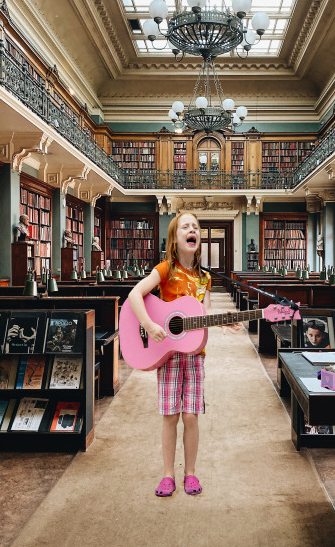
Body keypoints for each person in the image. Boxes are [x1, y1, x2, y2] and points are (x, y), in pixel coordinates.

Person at [128, 212, 242, 498]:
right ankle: (168, 475)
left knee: (191, 417)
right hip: (167, 354)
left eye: (196, 227)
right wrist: (149, 324)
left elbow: (200, 316)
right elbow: (134, 295)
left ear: (198, 238)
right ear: (175, 238)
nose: (192, 230)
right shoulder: (166, 269)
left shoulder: (204, 277)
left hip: (195, 355)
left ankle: (190, 472)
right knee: (170, 416)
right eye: (185, 226)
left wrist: (221, 319)